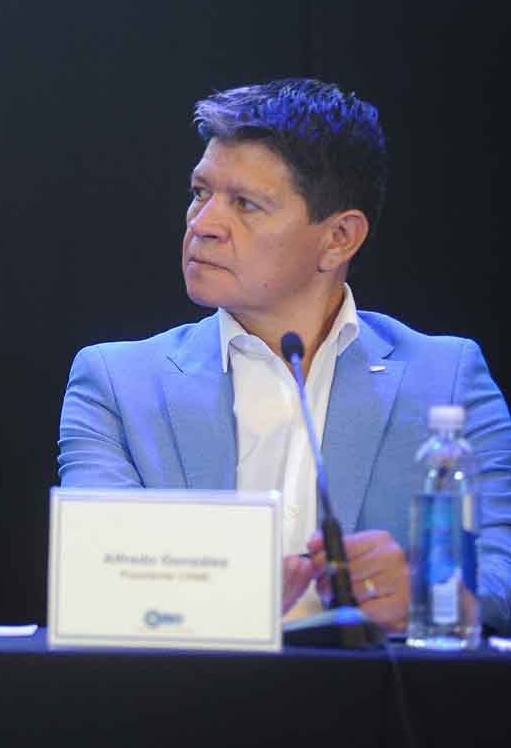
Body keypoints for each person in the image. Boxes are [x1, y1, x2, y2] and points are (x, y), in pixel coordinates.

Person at [57, 78, 510, 635]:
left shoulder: (447, 377)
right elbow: (99, 576)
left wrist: (433, 594)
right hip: (184, 706)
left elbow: (502, 568)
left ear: (339, 237)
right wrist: (232, 591)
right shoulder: (116, 383)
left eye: (246, 204)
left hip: (386, 711)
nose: (202, 226)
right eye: (201, 193)